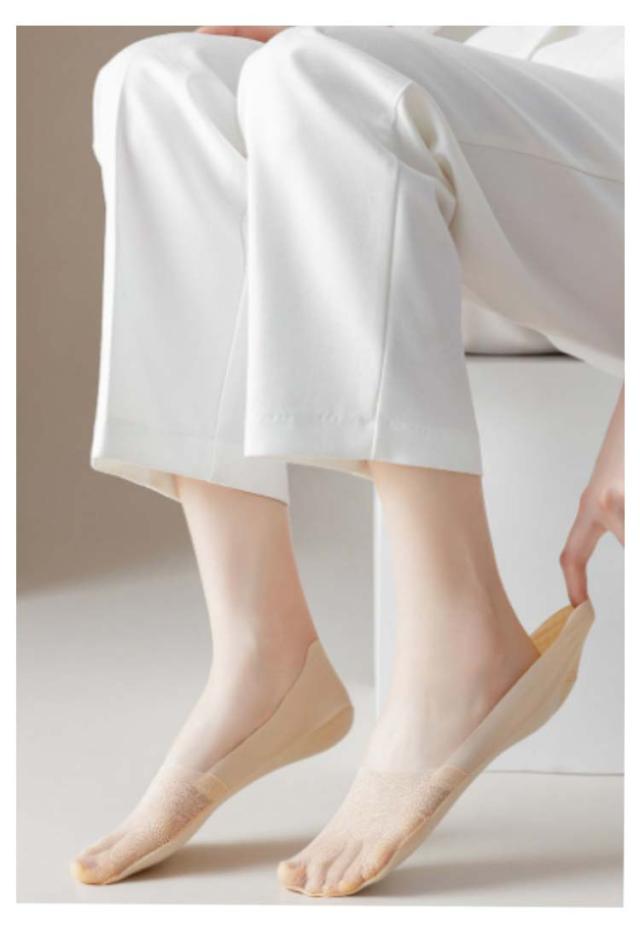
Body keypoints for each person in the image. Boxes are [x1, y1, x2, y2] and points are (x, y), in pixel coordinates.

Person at [71, 25, 624, 896]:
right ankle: (261, 651)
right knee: (160, 83)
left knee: (320, 75)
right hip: (489, 150)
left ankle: (461, 633)